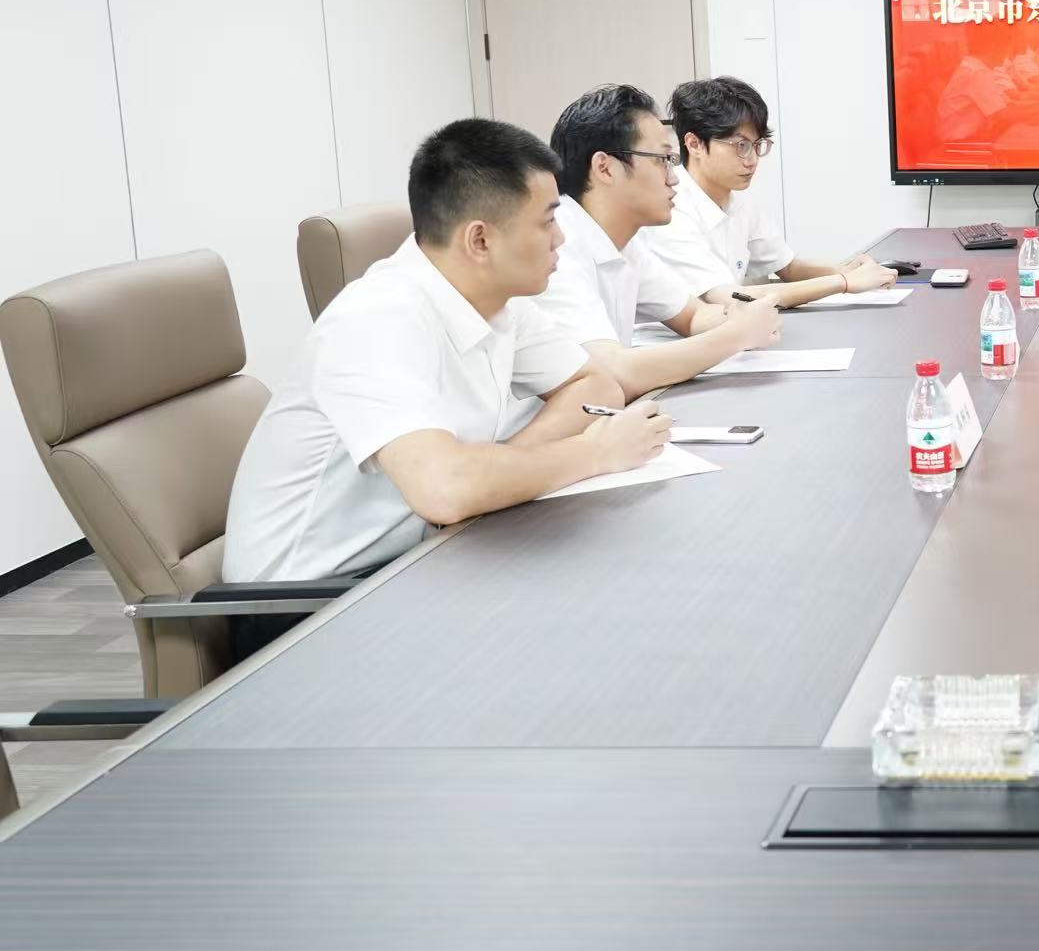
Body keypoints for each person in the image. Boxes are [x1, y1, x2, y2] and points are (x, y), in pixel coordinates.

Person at [223, 119, 672, 583]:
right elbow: (444, 490)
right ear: (480, 240)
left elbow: (596, 385)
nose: (560, 238)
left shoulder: (498, 302)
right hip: (309, 599)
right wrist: (594, 452)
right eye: (547, 221)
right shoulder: (377, 318)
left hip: (427, 553)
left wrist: (496, 469)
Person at [530, 84, 781, 397]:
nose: (673, 178)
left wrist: (744, 317)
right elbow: (613, 372)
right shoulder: (556, 245)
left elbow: (693, 316)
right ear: (605, 168)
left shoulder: (625, 241)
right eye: (662, 159)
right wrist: (736, 335)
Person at [647, 76, 897, 310]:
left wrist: (849, 270)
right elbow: (730, 298)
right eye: (741, 145)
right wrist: (843, 282)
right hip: (677, 338)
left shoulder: (736, 199)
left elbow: (788, 267)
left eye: (757, 145)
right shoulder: (669, 207)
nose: (752, 160)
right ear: (695, 144)